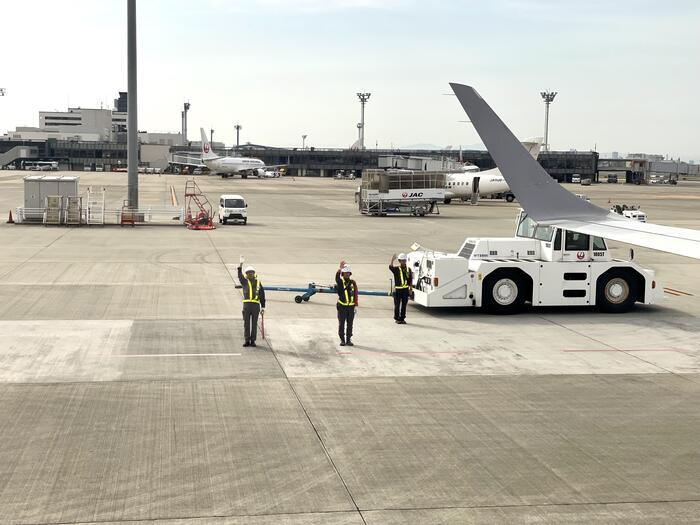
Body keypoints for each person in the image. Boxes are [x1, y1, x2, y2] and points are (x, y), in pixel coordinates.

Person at [238, 256, 265, 347]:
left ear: (254, 273)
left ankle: (253, 341)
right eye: (248, 272)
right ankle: (247, 340)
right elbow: (239, 275)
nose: (250, 274)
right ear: (246, 274)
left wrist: (263, 307)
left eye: (251, 272)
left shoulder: (258, 282)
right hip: (246, 305)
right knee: (246, 324)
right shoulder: (244, 281)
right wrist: (241, 264)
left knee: (254, 324)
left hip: (255, 306)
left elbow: (262, 295)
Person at [335, 261, 358, 346]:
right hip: (342, 307)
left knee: (350, 324)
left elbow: (355, 294)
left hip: (351, 307)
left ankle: (348, 339)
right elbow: (337, 278)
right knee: (342, 324)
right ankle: (342, 340)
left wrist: (355, 304)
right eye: (345, 273)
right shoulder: (340, 282)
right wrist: (339, 270)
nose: (347, 274)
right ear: (343, 274)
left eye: (348, 272)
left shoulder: (353, 282)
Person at [389, 253, 413, 324]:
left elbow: (410, 280)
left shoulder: (408, 269)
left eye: (404, 260)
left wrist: (410, 289)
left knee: (404, 304)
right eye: (402, 260)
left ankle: (402, 318)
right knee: (397, 304)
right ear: (399, 261)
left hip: (405, 290)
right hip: (398, 290)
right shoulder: (396, 269)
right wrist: (392, 260)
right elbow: (390, 267)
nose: (403, 262)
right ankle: (397, 318)